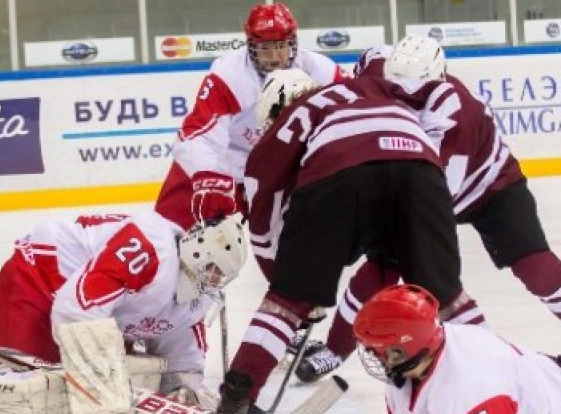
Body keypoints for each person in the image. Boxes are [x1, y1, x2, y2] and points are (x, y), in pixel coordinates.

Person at [214, 69, 485, 414]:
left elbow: (264, 222)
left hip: (341, 172)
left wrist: (290, 287)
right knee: (445, 294)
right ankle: (501, 367)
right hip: (422, 168)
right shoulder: (365, 87)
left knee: (286, 300)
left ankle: (237, 398)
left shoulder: (290, 119)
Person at [296, 35, 561, 384]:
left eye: (415, 91)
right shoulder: (379, 71)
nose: (405, 96)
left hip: (488, 187)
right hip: (422, 182)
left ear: (438, 78)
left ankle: (489, 361)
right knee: (377, 271)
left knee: (535, 267)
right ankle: (335, 350)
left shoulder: (459, 112)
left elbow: (435, 196)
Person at [0, 210, 247, 409]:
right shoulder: (151, 249)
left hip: (99, 316)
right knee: (29, 400)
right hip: (35, 284)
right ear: (198, 252)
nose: (214, 280)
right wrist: (104, 382)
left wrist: (184, 392)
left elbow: (183, 359)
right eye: (214, 270)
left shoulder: (195, 298)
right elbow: (76, 311)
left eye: (221, 276)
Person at [154, 2, 346, 231]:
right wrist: (209, 175)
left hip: (277, 172)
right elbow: (196, 135)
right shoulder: (230, 76)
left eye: (281, 46)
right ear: (251, 46)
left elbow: (352, 115)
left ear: (293, 43)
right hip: (228, 168)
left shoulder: (321, 72)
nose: (275, 57)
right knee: (166, 230)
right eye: (265, 48)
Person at [354, 284, 561, 413]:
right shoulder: (412, 363)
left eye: (377, 350)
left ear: (401, 350)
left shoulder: (472, 390)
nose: (374, 356)